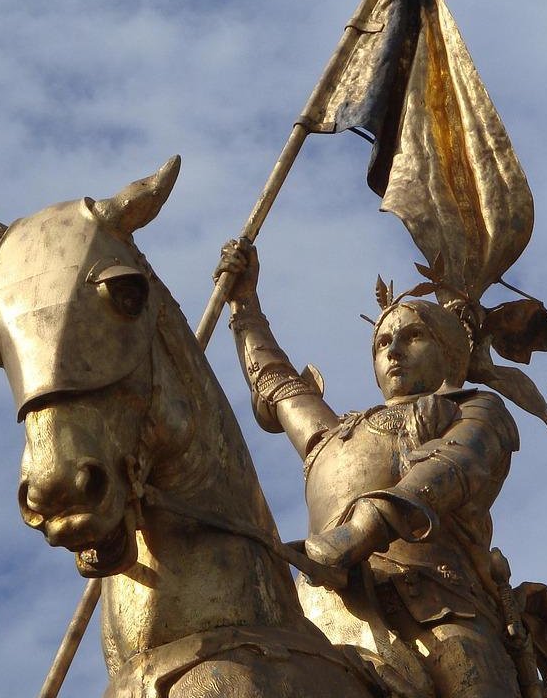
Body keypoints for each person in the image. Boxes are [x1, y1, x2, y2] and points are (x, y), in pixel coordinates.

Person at [216, 240, 523, 698]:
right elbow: (276, 383)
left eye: (413, 336)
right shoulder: (334, 436)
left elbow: (455, 465)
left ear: (448, 352)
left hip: (437, 608)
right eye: (383, 342)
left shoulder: (473, 409)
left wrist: (361, 530)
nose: (394, 349)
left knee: (468, 669)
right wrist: (244, 306)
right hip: (324, 609)